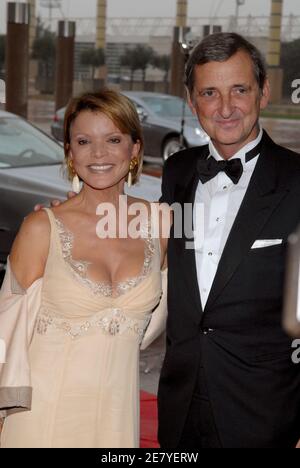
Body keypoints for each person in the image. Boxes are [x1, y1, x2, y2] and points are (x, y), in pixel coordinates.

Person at [0, 89, 168, 448]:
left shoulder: (161, 224)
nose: (99, 154)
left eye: (113, 139)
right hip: (40, 419)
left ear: (135, 149)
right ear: (70, 153)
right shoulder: (41, 228)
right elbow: (5, 332)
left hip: (117, 419)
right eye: (83, 141)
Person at [158, 32, 300, 448]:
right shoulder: (177, 171)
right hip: (180, 408)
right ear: (191, 100)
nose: (225, 108)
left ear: (264, 92)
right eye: (209, 93)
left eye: (239, 89)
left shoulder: (297, 181)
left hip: (266, 415)